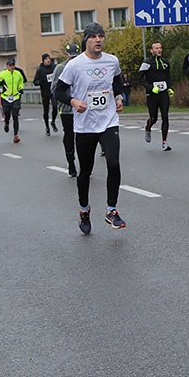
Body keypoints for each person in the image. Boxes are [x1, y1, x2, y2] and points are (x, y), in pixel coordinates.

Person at [55, 23, 126, 233]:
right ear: (86, 40)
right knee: (85, 171)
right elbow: (59, 92)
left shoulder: (112, 61)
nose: (98, 40)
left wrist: (119, 96)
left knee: (113, 162)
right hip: (85, 125)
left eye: (101, 36)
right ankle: (84, 210)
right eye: (94, 37)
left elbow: (117, 81)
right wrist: (74, 102)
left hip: (108, 121)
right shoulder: (75, 65)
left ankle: (111, 210)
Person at [51, 42, 81, 177]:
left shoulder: (83, 66)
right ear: (66, 55)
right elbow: (54, 89)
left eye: (76, 57)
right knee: (69, 135)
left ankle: (85, 164)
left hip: (82, 108)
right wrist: (67, 97)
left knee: (84, 137)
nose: (73, 60)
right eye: (71, 57)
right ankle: (71, 163)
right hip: (67, 109)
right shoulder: (60, 68)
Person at [137, 40, 173, 151]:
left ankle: (164, 142)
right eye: (156, 48)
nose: (159, 50)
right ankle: (148, 128)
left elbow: (168, 77)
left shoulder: (165, 62)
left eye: (160, 48)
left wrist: (170, 87)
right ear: (152, 51)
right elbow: (139, 79)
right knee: (154, 118)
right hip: (152, 95)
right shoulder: (147, 63)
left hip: (163, 94)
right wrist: (151, 88)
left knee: (165, 117)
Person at [0, 57, 26, 144]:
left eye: (13, 65)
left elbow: (21, 81)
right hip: (6, 98)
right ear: (7, 66)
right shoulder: (2, 74)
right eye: (10, 65)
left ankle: (16, 136)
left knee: (15, 116)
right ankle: (7, 123)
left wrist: (20, 88)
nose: (12, 67)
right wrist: (0, 84)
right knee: (7, 114)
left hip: (15, 97)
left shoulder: (18, 73)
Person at [33, 53, 58, 136]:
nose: (48, 60)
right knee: (46, 111)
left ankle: (53, 122)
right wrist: (40, 81)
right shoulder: (40, 70)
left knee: (55, 107)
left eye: (49, 59)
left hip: (53, 91)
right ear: (43, 61)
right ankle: (47, 127)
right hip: (45, 92)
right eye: (46, 59)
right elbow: (35, 82)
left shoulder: (54, 67)